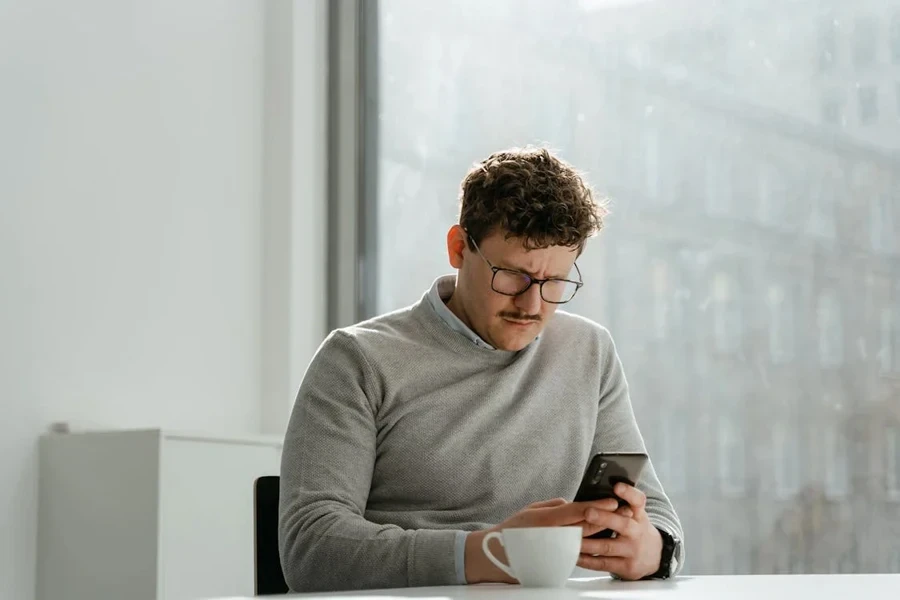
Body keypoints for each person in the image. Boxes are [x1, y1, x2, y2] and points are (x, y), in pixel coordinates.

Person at [278, 147, 684, 592]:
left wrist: (652, 550)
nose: (532, 306)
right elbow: (311, 550)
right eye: (513, 276)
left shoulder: (589, 351)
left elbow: (658, 516)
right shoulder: (357, 360)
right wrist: (490, 552)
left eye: (555, 283)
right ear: (458, 248)